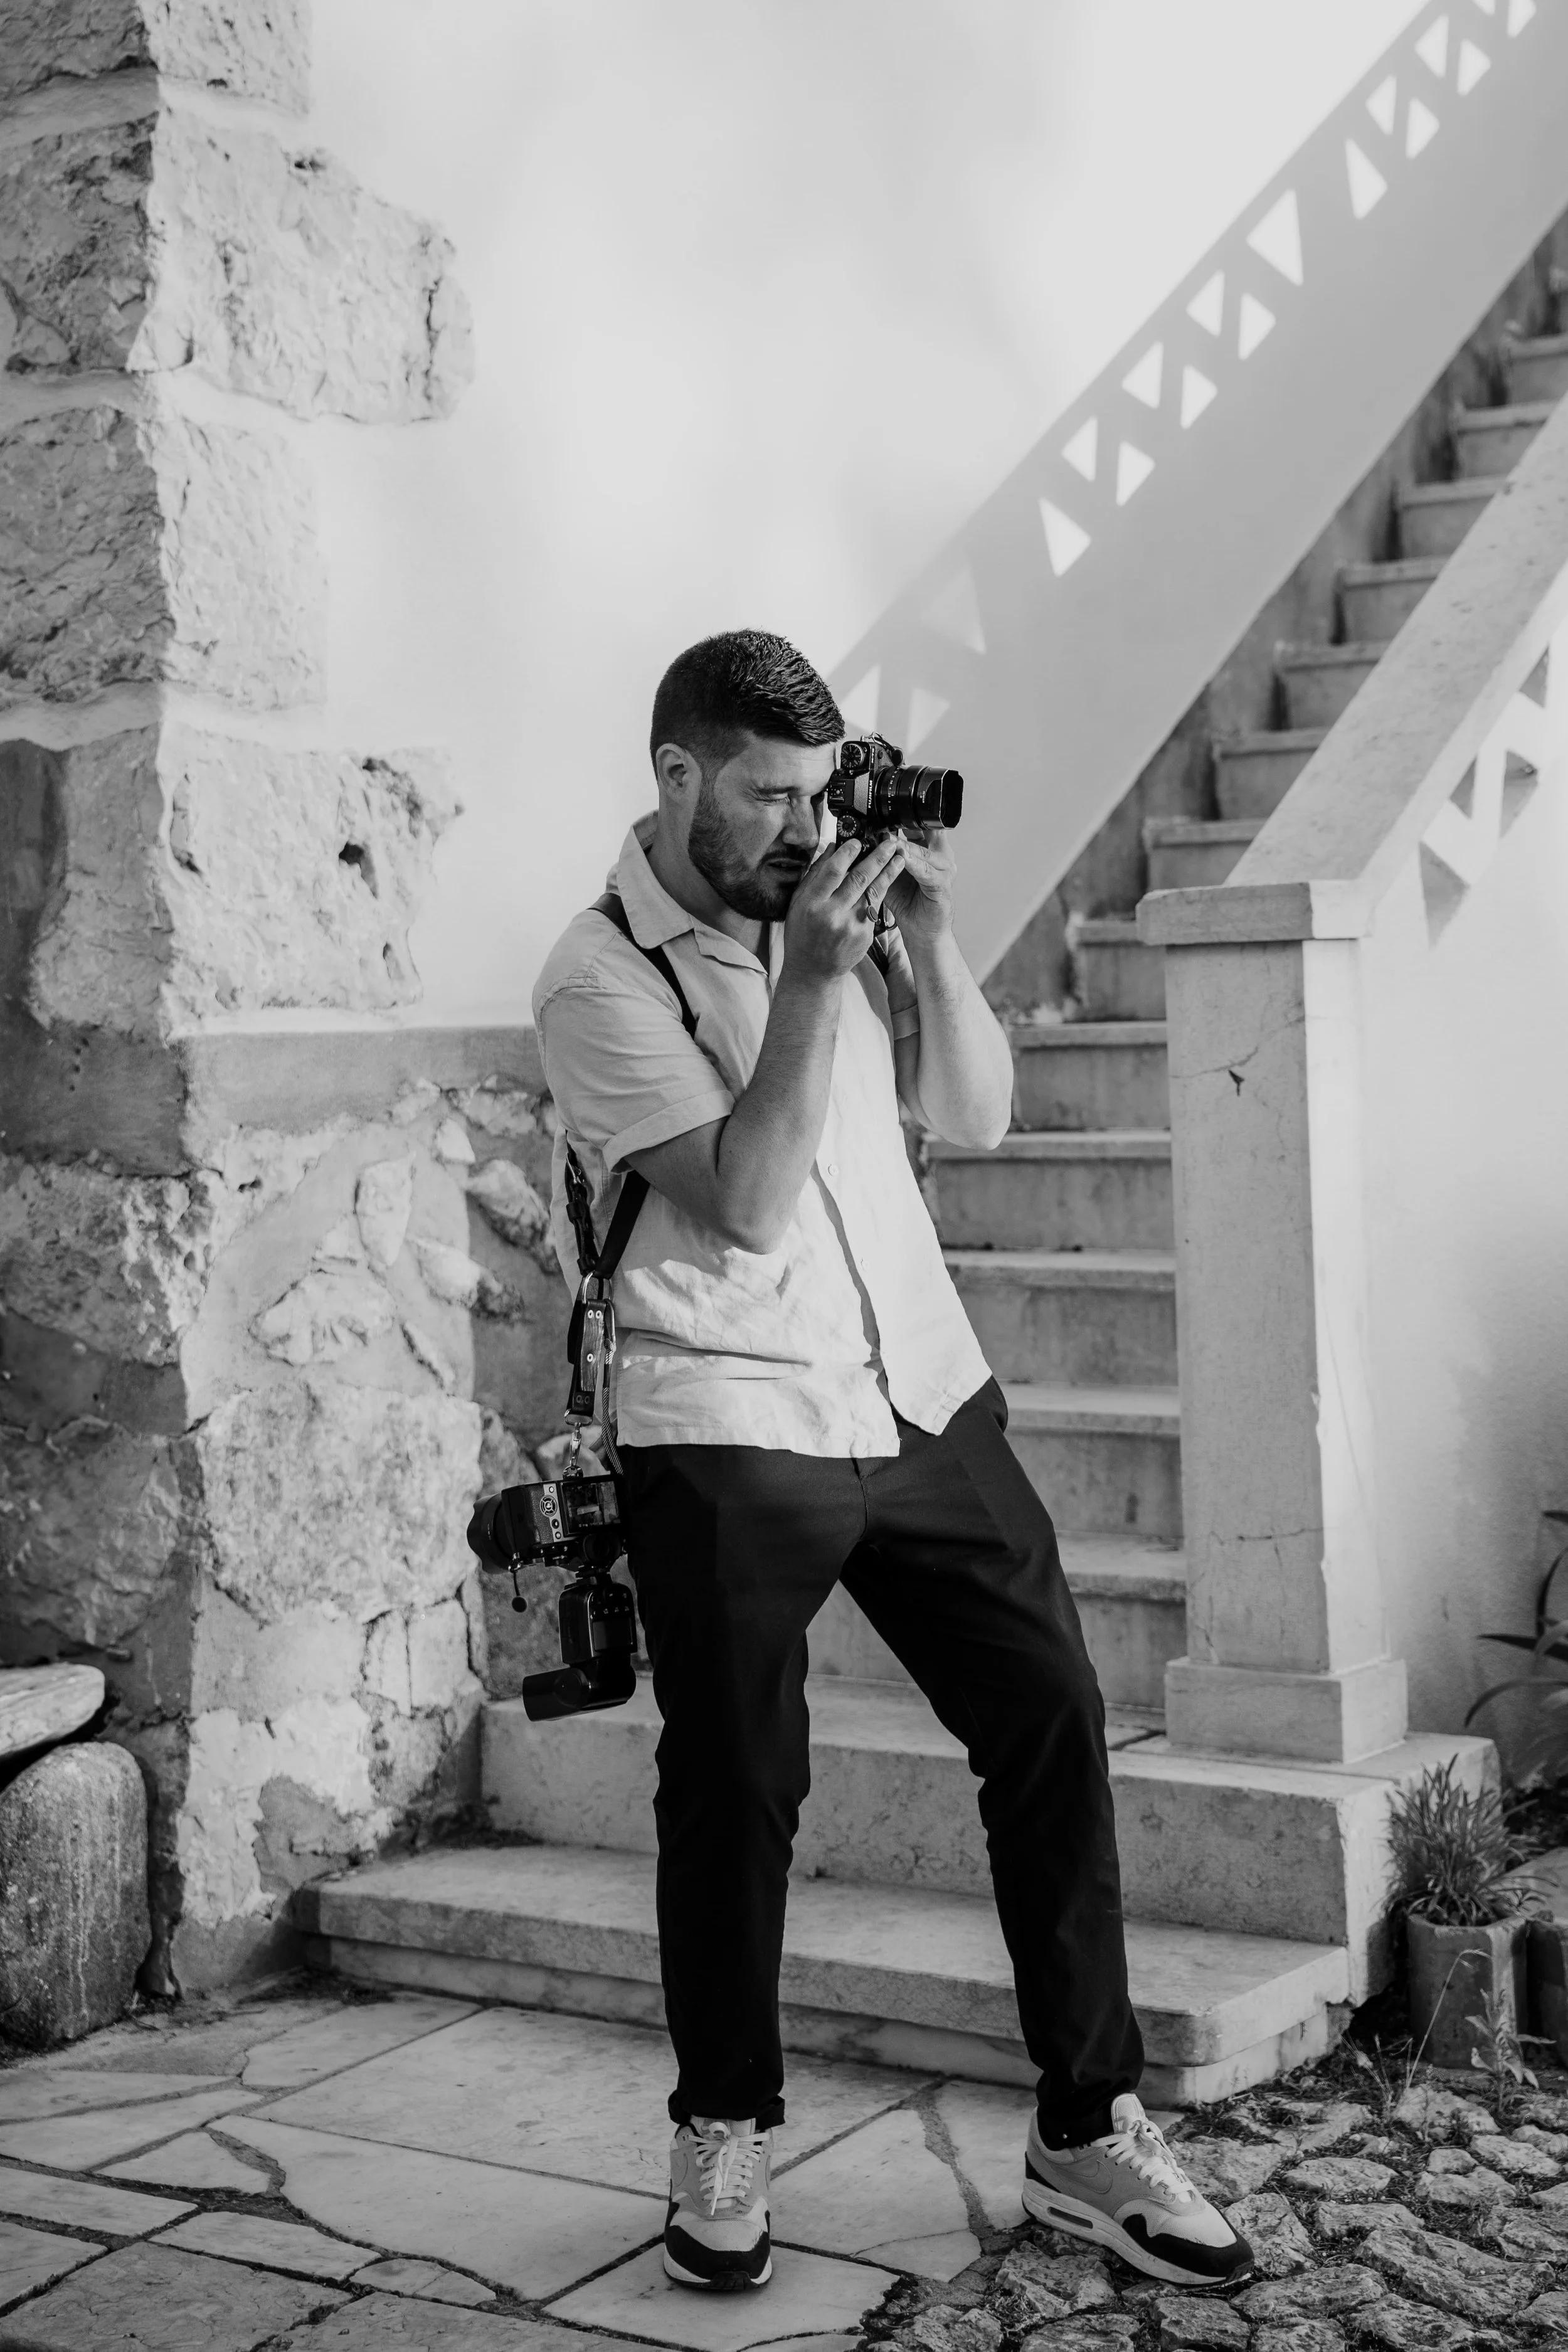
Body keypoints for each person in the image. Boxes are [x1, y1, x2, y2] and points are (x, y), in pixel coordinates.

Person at [532, 630, 1251, 2295]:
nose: (795, 825)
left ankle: (1088, 2125)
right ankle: (723, 2121)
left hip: (919, 1391)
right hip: (728, 1416)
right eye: (766, 794)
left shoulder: (837, 921)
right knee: (740, 1779)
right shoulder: (595, 975)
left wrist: (922, 948)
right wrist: (803, 986)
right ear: (678, 775)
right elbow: (752, 1192)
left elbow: (981, 1113)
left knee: (1052, 1714)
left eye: (815, 791)